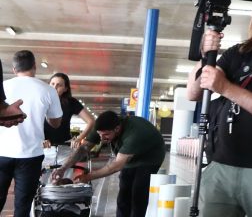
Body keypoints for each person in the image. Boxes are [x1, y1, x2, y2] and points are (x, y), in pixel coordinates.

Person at [186, 0, 252, 217]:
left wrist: (226, 88)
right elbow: (193, 93)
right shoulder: (236, 54)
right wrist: (205, 56)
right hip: (221, 166)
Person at [52, 110, 166, 217]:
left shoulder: (134, 134)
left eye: (106, 135)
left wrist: (88, 176)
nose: (101, 139)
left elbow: (116, 166)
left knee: (138, 192)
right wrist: (63, 168)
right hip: (128, 153)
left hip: (149, 157)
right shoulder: (101, 127)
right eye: (99, 135)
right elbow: (83, 148)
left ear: (117, 129)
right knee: (124, 193)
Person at [0, 50, 63, 217]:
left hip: (1, 153)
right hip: (31, 156)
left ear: (14, 69)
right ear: (34, 67)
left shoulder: (3, 87)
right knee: (23, 206)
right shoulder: (48, 90)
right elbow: (56, 123)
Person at [43, 72, 96, 149]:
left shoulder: (71, 102)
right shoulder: (41, 100)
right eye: (52, 84)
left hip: (64, 146)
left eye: (59, 85)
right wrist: (39, 139)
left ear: (65, 89)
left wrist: (79, 138)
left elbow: (91, 121)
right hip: (44, 146)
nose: (55, 87)